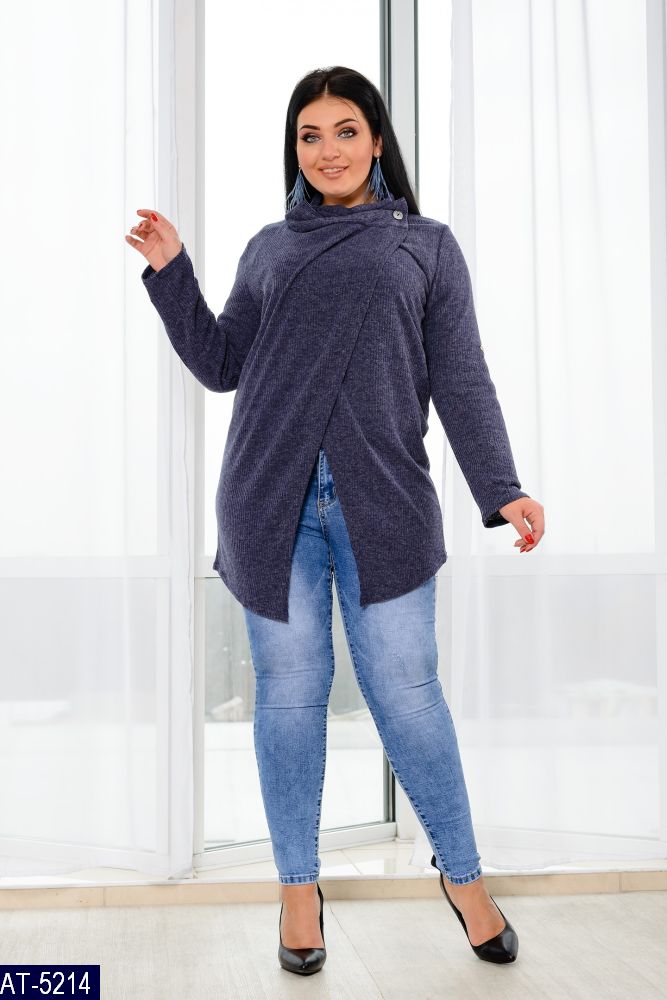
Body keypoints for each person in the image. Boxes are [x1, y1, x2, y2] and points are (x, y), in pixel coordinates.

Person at [126, 65, 544, 976]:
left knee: (408, 696)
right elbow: (222, 363)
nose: (328, 151)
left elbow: (460, 377)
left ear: (377, 139)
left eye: (345, 131)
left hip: (384, 501)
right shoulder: (269, 248)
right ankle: (297, 890)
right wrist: (171, 272)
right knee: (287, 699)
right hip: (268, 498)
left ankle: (464, 877)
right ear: (295, 149)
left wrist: (500, 486)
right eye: (309, 136)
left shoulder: (426, 247)